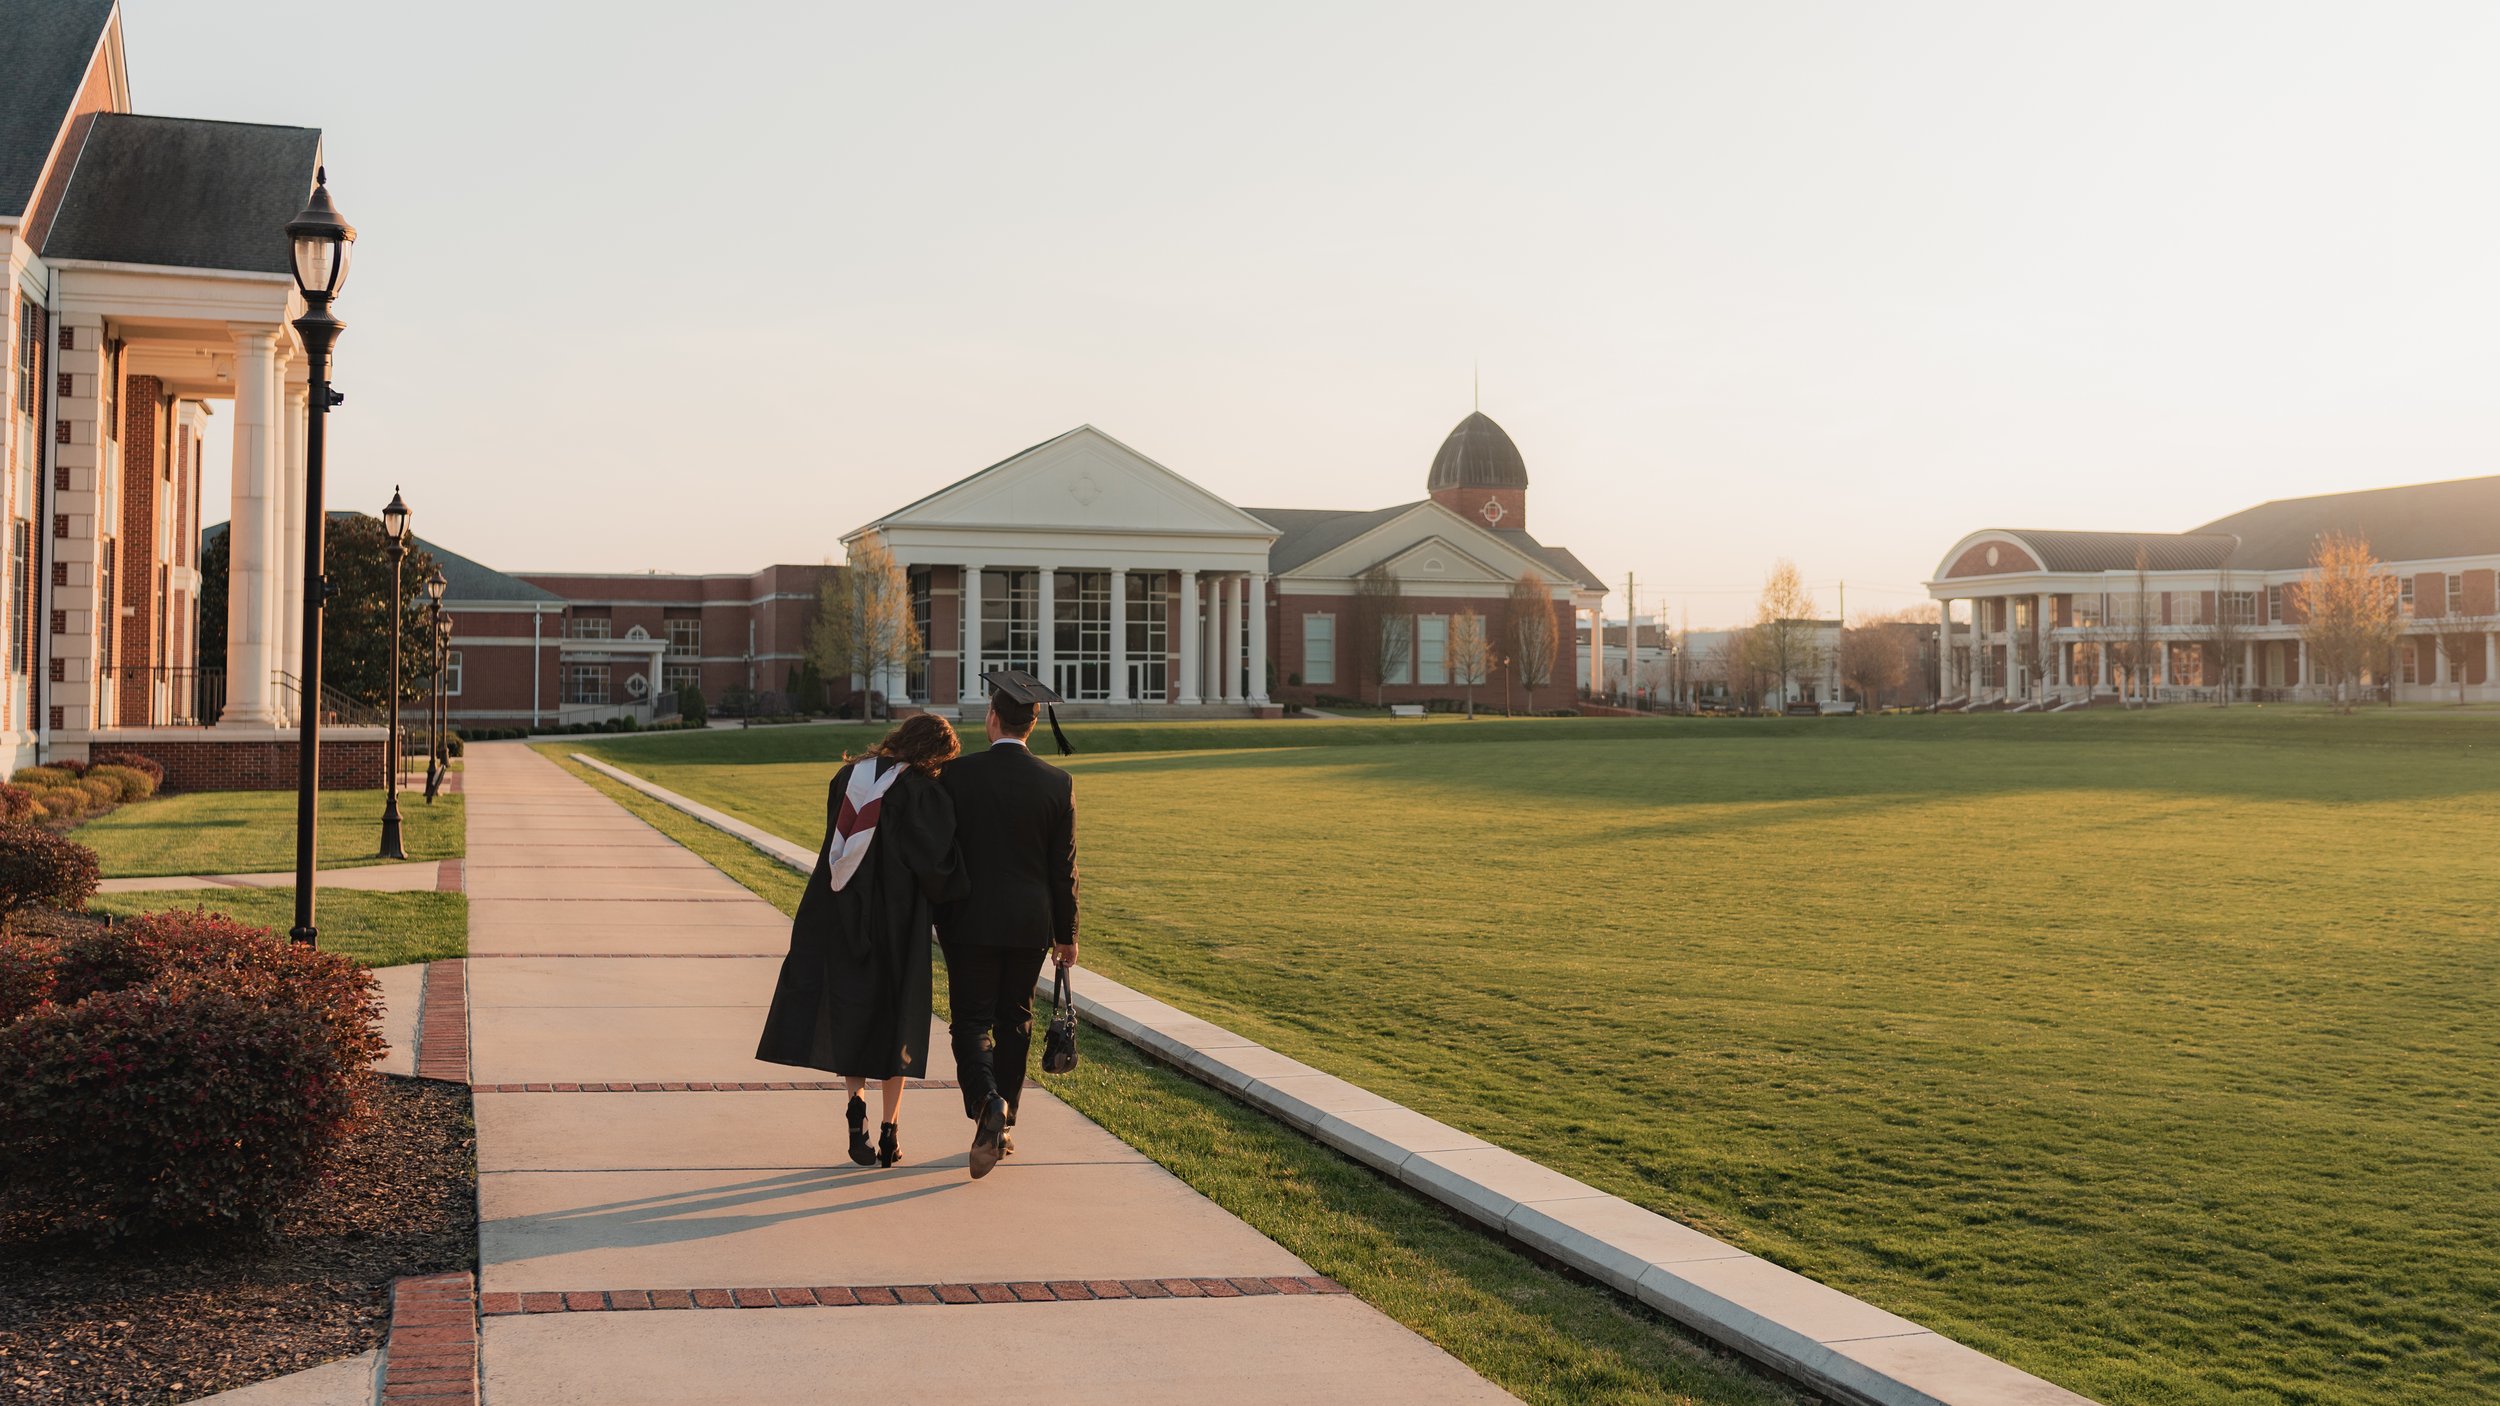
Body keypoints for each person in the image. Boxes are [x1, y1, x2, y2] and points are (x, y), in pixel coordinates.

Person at [755, 713, 965, 1168]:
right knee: (898, 1019)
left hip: (842, 914)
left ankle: (856, 1110)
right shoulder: (922, 793)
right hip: (898, 923)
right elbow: (937, 868)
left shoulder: (848, 778)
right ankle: (891, 1132)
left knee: (851, 1009)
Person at [937, 669, 1078, 1180]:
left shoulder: (955, 776)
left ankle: (987, 1103)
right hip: (1029, 923)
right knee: (1015, 1018)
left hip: (968, 920)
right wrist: (1068, 936)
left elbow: (940, 853)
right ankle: (1007, 1119)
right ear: (1034, 725)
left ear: (992, 718)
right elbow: (1063, 869)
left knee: (972, 1022)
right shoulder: (1056, 782)